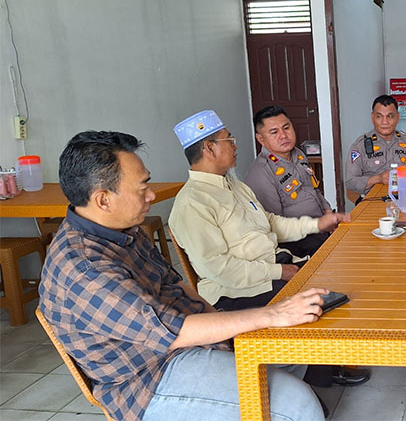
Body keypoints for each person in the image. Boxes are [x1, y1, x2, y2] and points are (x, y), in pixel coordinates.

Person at [39, 131, 325, 421]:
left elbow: (174, 283)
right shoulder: (84, 268)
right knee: (298, 404)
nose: (151, 195)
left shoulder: (123, 230)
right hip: (152, 376)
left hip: (187, 339)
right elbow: (172, 330)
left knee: (291, 346)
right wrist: (271, 315)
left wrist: (226, 329)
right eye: (141, 189)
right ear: (103, 200)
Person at [169, 110, 369, 388]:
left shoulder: (235, 186)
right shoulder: (193, 203)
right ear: (210, 148)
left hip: (270, 269)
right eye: (230, 140)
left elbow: (272, 224)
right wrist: (279, 272)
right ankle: (299, 389)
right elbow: (216, 268)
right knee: (311, 298)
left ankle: (323, 367)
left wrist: (317, 223)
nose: (236, 146)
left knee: (332, 279)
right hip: (235, 292)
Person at [245, 105, 332, 259]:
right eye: (274, 132)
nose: (283, 135)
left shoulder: (298, 154)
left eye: (286, 128)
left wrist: (328, 212)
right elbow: (275, 226)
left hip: (320, 225)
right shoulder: (261, 172)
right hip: (298, 239)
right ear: (260, 139)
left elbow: (314, 189)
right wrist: (319, 225)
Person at [345, 94, 406, 199]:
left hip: (405, 199)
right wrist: (378, 178)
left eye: (390, 116)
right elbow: (351, 182)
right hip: (371, 201)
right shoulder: (360, 145)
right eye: (379, 116)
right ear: (372, 118)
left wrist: (405, 178)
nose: (385, 122)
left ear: (398, 117)